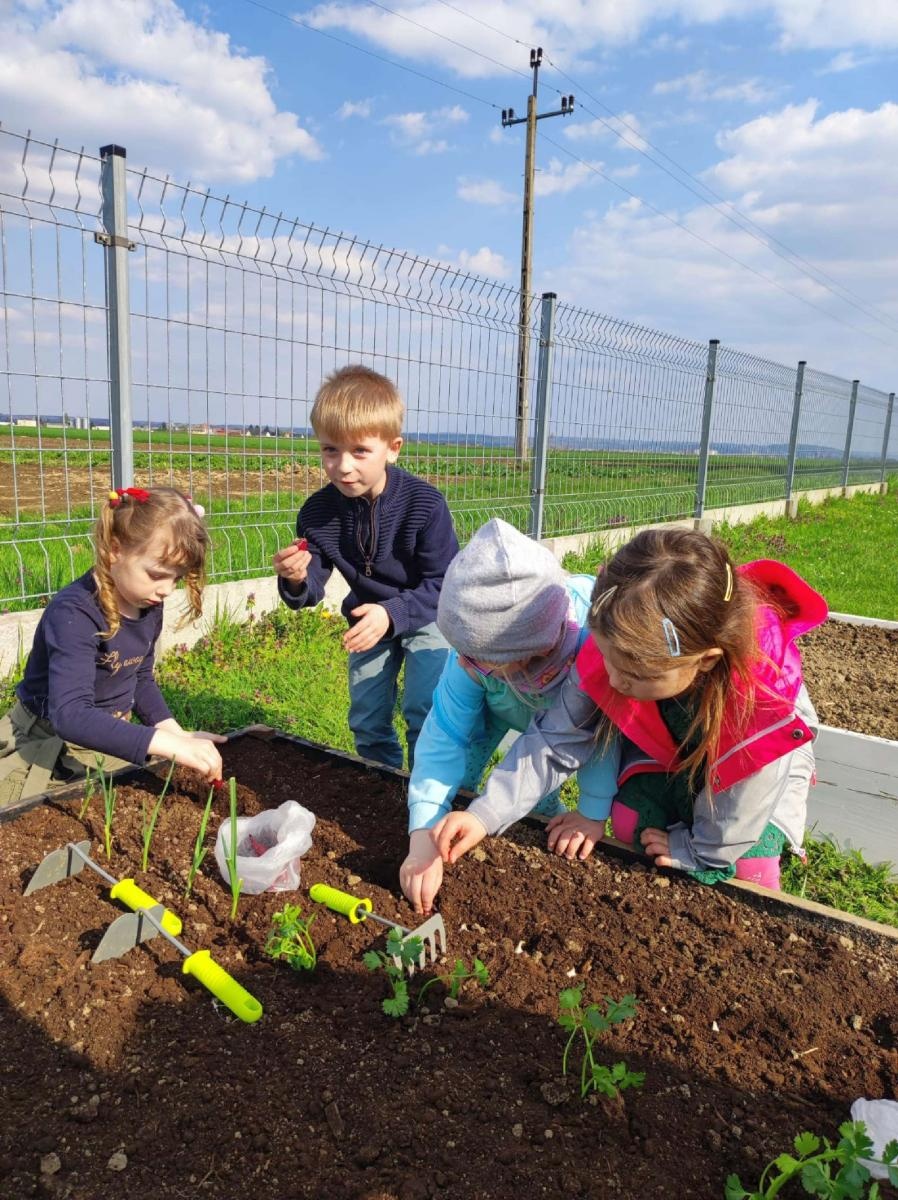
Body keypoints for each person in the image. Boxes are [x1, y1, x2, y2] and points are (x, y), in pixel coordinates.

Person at [434, 527, 826, 891]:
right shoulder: (622, 652)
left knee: (748, 870)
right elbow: (554, 740)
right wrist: (485, 814)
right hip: (674, 748)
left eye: (633, 673)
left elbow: (747, 792)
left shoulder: (757, 695)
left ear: (705, 661)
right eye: (607, 660)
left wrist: (701, 851)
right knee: (628, 822)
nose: (615, 681)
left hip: (763, 768)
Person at [399, 518, 620, 914]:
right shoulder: (472, 659)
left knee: (540, 768)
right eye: (465, 658)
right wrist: (423, 832)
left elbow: (592, 740)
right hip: (499, 705)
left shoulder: (591, 651)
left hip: (563, 721)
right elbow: (445, 733)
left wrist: (592, 811)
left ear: (530, 655)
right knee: (462, 780)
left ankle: (543, 811)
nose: (468, 667)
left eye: (481, 665)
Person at [273, 365, 458, 770]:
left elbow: (445, 583)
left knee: (425, 713)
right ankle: (383, 785)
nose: (343, 466)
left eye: (360, 451)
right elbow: (313, 586)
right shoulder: (318, 513)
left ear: (392, 448)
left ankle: (427, 793)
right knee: (367, 720)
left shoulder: (425, 505)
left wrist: (392, 613)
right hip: (365, 619)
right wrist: (296, 579)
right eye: (330, 450)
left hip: (429, 616)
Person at [0, 486, 225, 813]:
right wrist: (162, 745)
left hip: (106, 737)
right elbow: (71, 715)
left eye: (176, 578)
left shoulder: (146, 602)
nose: (166, 590)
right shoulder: (74, 614)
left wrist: (176, 735)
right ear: (114, 550)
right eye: (157, 574)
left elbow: (140, 677)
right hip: (44, 740)